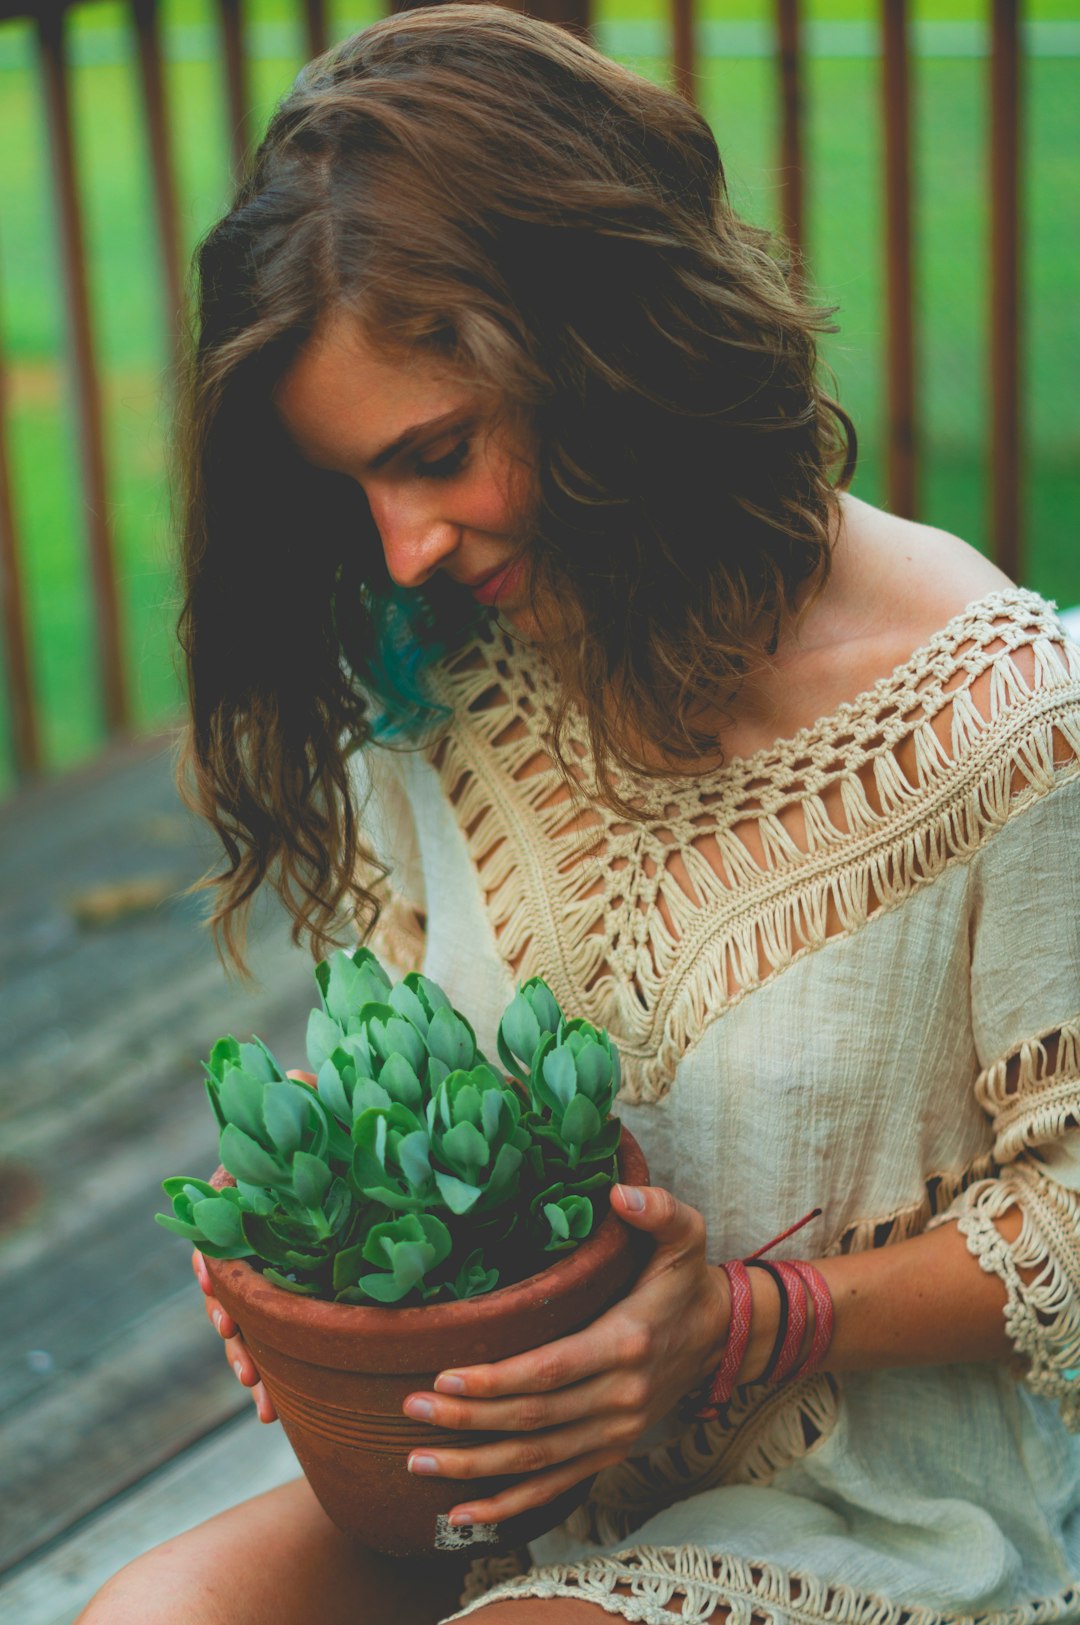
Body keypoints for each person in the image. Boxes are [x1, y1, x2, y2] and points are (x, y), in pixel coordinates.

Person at [77, 5, 1080, 1623]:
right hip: (500, 1482)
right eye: (356, 488)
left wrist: (751, 1320)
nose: (402, 544)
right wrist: (302, 1250)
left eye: (440, 451)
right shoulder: (452, 676)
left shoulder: (1008, 729)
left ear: (614, 356)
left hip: (872, 1520)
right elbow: (384, 1068)